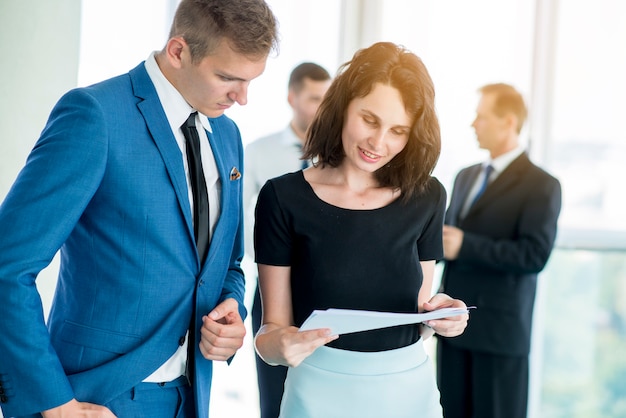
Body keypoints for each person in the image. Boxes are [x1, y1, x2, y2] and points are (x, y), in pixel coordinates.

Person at [0, 0, 278, 416]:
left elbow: (229, 263)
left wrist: (232, 310)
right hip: (96, 397)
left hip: (193, 395)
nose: (242, 98)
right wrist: (55, 404)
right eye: (227, 78)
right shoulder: (95, 116)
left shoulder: (227, 135)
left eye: (251, 81)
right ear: (178, 51)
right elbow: (8, 266)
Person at [252, 41, 469, 418]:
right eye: (369, 120)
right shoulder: (283, 198)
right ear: (342, 107)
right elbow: (269, 335)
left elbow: (417, 318)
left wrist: (444, 318)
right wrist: (278, 345)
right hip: (317, 394)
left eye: (398, 130)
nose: (378, 143)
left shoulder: (427, 196)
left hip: (408, 394)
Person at [436, 83, 562, 418]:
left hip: (499, 335)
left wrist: (466, 245)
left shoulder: (542, 185)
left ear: (508, 122)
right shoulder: (465, 176)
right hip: (453, 328)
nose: (473, 124)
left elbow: (534, 255)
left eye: (482, 117)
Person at [243, 62, 331, 418]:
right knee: (275, 399)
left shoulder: (340, 156)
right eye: (313, 98)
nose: (322, 107)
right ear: (292, 97)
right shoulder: (258, 152)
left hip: (324, 293)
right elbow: (233, 222)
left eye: (327, 98)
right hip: (271, 287)